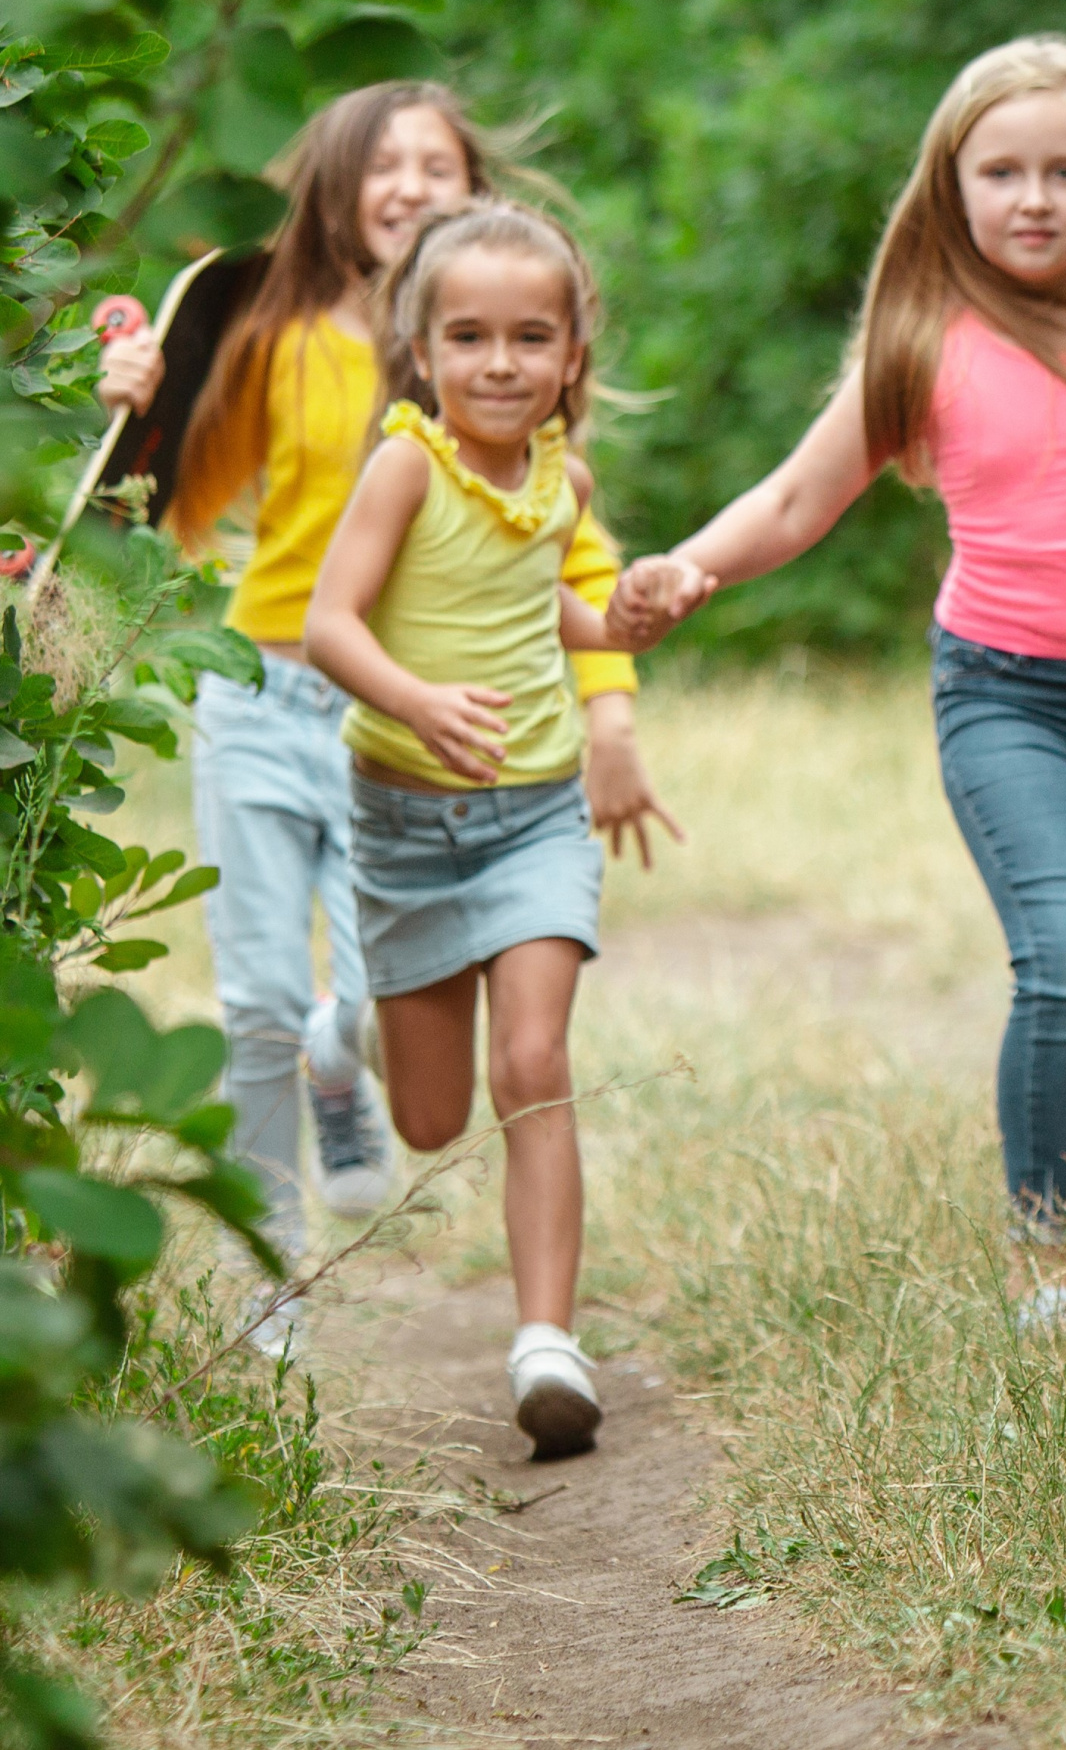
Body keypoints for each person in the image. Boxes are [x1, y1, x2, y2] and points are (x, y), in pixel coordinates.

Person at [608, 37, 1066, 1326]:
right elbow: (798, 495)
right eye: (1000, 171)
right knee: (1061, 959)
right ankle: (1047, 1254)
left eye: (1062, 170)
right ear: (951, 186)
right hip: (1005, 694)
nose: (1030, 197)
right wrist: (687, 569)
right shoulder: (926, 337)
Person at [98, 84, 673, 1332]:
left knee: (367, 1007)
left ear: (481, 198)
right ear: (341, 188)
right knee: (249, 997)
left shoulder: (502, 366)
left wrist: (612, 713)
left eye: (440, 165)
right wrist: (138, 394)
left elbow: (571, 571)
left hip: (427, 747)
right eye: (385, 164)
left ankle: (334, 1046)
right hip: (266, 687)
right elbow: (174, 495)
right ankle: (269, 1282)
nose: (411, 184)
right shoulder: (278, 329)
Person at [304, 200, 650, 1454]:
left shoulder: (566, 479)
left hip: (535, 814)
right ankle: (347, 1027)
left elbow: (548, 600)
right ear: (423, 350)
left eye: (528, 336)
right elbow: (334, 622)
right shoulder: (406, 463)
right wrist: (414, 699)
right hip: (402, 821)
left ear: (570, 354)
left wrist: (622, 623)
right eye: (468, 336)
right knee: (432, 1120)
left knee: (533, 1066)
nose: (499, 363)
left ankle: (546, 1340)